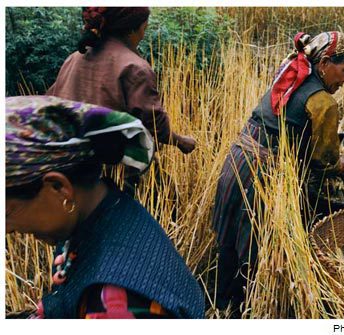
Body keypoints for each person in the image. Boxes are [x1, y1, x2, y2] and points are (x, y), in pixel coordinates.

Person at [6, 95, 205, 319]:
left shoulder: (111, 303)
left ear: (59, 187)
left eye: (7, 212)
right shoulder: (107, 207)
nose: (7, 229)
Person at [211, 31, 344, 312]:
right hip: (263, 174)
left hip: (239, 159)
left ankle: (219, 303)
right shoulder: (323, 102)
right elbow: (325, 158)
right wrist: (339, 165)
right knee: (254, 243)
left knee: (229, 237)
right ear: (326, 62)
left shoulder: (292, 73)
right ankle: (245, 308)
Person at [47, 7, 196, 158]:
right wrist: (181, 141)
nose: (143, 35)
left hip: (67, 158)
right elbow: (154, 123)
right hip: (108, 164)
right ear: (131, 30)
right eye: (144, 28)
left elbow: (52, 99)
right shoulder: (135, 68)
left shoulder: (75, 58)